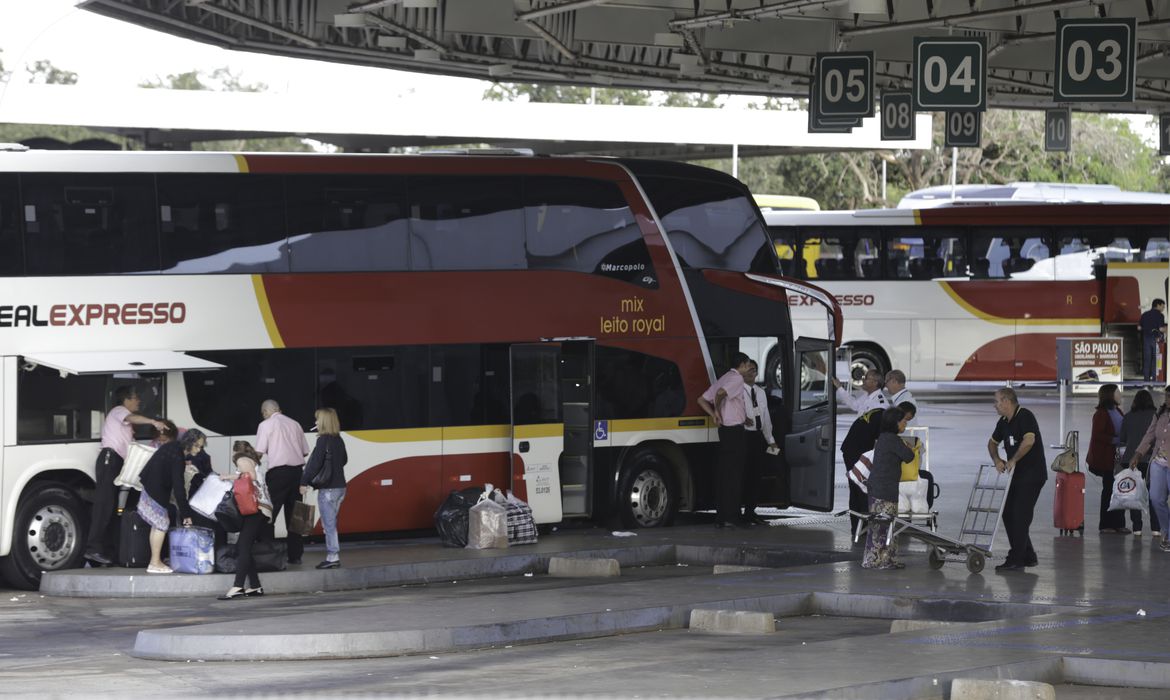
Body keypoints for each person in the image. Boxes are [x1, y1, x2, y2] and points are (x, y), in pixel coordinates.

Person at [84, 386, 168, 566]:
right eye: (136, 398)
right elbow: (131, 417)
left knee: (113, 507)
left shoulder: (127, 426)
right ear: (126, 399)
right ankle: (92, 548)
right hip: (110, 459)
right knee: (104, 505)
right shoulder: (119, 411)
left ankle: (106, 551)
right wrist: (153, 422)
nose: (139, 401)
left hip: (117, 462)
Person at [987, 387, 1047, 572]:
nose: (995, 405)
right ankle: (1028, 554)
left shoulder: (1025, 416)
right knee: (1008, 513)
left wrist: (1013, 459)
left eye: (997, 401)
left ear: (1006, 401)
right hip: (1016, 476)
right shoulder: (1004, 421)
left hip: (1032, 474)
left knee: (1020, 516)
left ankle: (1016, 558)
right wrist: (997, 459)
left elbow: (1029, 441)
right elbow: (992, 443)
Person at [136, 429, 206, 574]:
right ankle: (154, 563)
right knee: (162, 524)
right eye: (197, 446)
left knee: (157, 525)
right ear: (189, 443)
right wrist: (186, 514)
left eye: (201, 446)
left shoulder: (173, 446)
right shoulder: (178, 456)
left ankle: (154, 561)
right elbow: (179, 488)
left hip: (149, 486)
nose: (199, 450)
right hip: (156, 490)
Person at [698, 352, 752, 529]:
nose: (749, 368)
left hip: (725, 432)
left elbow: (701, 400)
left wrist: (715, 413)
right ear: (742, 365)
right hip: (734, 433)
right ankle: (732, 517)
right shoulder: (737, 379)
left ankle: (721, 517)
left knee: (724, 474)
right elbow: (721, 394)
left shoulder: (725, 377)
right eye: (748, 365)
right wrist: (716, 411)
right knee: (734, 476)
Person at [255, 399, 310, 565]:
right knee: (296, 516)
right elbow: (305, 452)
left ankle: (268, 554)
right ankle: (295, 556)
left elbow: (259, 452)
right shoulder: (295, 424)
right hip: (297, 473)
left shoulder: (265, 425)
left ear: (265, 412)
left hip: (278, 474)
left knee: (268, 513)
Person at [219, 441, 274, 599]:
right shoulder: (251, 460)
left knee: (242, 547)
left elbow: (251, 477)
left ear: (235, 451)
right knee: (243, 547)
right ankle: (255, 586)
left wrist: (227, 477)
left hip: (256, 509)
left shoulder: (241, 459)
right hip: (259, 509)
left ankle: (238, 586)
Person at [861, 406, 915, 570]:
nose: (905, 423)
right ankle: (875, 560)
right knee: (882, 526)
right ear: (894, 423)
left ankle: (886, 559)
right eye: (903, 420)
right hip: (884, 490)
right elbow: (909, 456)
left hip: (881, 488)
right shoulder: (892, 440)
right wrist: (909, 447)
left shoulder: (884, 438)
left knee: (885, 525)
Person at [301, 407, 349, 568]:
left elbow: (315, 464)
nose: (315, 422)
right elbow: (344, 460)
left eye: (317, 419)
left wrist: (304, 481)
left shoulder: (323, 440)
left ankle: (332, 557)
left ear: (323, 421)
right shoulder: (338, 439)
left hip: (328, 489)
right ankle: (332, 555)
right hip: (340, 487)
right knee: (331, 523)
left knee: (329, 525)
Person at [1127, 386, 1170, 553]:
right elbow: (1149, 435)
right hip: (1158, 463)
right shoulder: (1159, 414)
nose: (1167, 399)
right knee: (1156, 499)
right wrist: (1138, 454)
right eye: (1167, 396)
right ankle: (1167, 532)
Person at [1087, 383, 1128, 534]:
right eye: (1117, 393)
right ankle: (1106, 524)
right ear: (1110, 395)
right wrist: (1116, 440)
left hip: (1118, 458)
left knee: (1120, 490)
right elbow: (1098, 435)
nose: (1120, 395)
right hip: (1107, 459)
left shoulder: (1117, 411)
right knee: (1109, 491)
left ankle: (1119, 523)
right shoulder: (1101, 414)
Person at [741, 361, 778, 526]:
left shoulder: (760, 392)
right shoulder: (738, 390)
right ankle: (737, 511)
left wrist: (771, 440)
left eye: (754, 370)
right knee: (743, 475)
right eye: (749, 370)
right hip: (743, 436)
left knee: (756, 476)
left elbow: (766, 418)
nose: (752, 373)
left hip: (757, 436)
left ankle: (750, 512)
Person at [840, 407, 885, 537]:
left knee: (856, 490)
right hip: (856, 453)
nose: (905, 425)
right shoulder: (884, 420)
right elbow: (881, 444)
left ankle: (857, 528)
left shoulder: (879, 413)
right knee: (862, 489)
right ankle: (863, 527)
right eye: (905, 421)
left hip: (851, 450)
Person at [1119, 389, 1158, 537]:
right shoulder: (1156, 417)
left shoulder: (1128, 416)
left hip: (1130, 460)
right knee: (1154, 494)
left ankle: (1137, 527)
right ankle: (1156, 528)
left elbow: (1122, 438)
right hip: (1150, 460)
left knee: (1134, 493)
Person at [1139, 299, 1166, 383]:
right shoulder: (1160, 315)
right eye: (1163, 306)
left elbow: (1139, 327)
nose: (1163, 308)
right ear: (1158, 305)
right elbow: (1161, 328)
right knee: (1156, 360)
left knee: (1147, 360)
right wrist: (1167, 329)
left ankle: (1146, 381)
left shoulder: (1144, 314)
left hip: (1146, 339)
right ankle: (1155, 381)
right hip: (1156, 340)